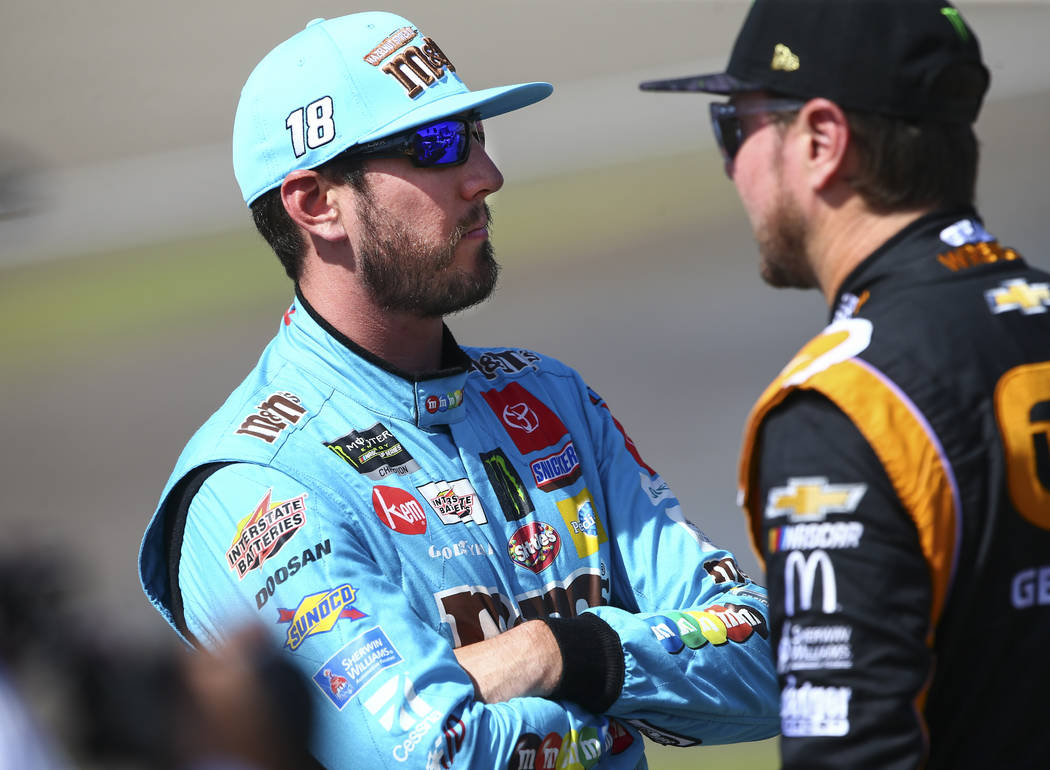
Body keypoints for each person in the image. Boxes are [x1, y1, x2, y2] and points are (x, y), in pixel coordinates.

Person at [138, 12, 779, 769]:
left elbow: (775, 660)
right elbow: (424, 754)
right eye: (436, 146)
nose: (486, 176)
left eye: (473, 133)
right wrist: (620, 713)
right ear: (316, 204)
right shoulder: (254, 486)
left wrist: (565, 651)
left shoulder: (550, 399)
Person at [641, 1, 1050, 768]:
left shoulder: (844, 407)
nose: (731, 164)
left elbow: (852, 753)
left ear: (824, 141)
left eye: (735, 125)